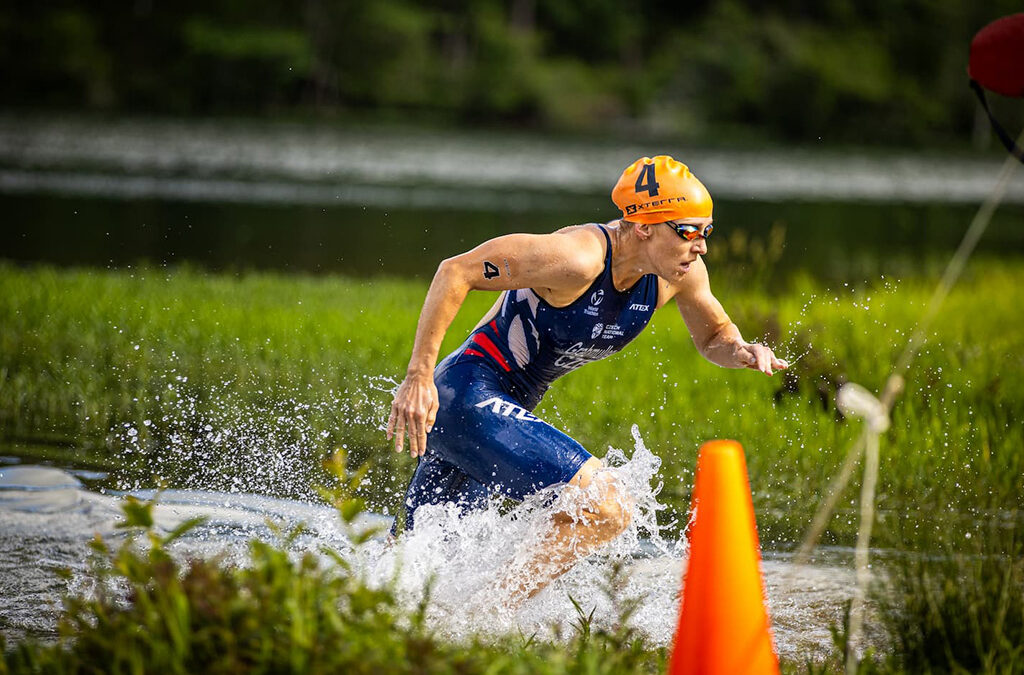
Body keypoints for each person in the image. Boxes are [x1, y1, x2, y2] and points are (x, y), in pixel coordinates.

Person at [386, 155, 788, 606]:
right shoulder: (576, 259)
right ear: (644, 227)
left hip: (494, 413)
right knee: (606, 506)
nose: (701, 247)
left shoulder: (679, 275)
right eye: (689, 231)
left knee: (404, 572)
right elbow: (455, 271)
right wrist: (418, 377)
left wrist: (742, 351)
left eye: (707, 232)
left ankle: (431, 624)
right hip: (465, 397)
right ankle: (486, 614)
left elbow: (715, 335)